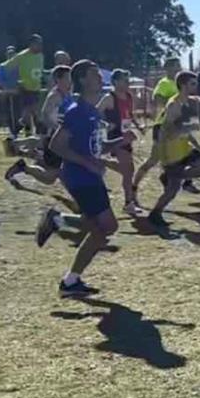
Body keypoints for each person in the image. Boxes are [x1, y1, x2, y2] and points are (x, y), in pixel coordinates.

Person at [35, 60, 133, 297]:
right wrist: (87, 162)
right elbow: (57, 145)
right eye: (94, 74)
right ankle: (69, 275)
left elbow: (97, 146)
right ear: (82, 80)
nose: (100, 78)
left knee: (98, 228)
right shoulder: (76, 111)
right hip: (80, 177)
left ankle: (69, 277)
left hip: (89, 176)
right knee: (107, 226)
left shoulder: (92, 112)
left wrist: (122, 140)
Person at [144, 71, 200, 228]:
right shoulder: (174, 105)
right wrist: (188, 127)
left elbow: (185, 127)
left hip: (184, 148)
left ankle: (170, 177)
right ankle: (155, 214)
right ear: (183, 85)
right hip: (171, 151)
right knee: (172, 190)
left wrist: (195, 143)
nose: (196, 86)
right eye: (192, 84)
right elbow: (169, 132)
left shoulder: (188, 102)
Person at [133, 57, 198, 193]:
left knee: (188, 152)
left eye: (179, 65)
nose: (179, 68)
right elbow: (157, 100)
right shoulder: (164, 83)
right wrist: (174, 101)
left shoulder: (180, 83)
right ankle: (134, 186)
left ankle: (186, 181)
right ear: (168, 68)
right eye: (176, 66)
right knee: (153, 160)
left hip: (179, 125)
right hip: (163, 126)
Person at [4, 64, 73, 186]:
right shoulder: (55, 96)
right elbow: (45, 114)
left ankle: (22, 157)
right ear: (58, 79)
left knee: (54, 173)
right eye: (67, 78)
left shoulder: (67, 94)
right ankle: (24, 165)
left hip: (63, 138)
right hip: (55, 138)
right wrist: (57, 127)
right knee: (50, 177)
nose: (70, 81)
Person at [97, 69, 145, 215]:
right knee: (129, 170)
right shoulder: (109, 98)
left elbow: (129, 114)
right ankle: (128, 202)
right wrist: (105, 124)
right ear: (116, 82)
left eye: (128, 80)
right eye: (125, 80)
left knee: (128, 170)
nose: (128, 83)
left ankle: (102, 161)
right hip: (115, 137)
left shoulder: (129, 96)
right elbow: (95, 114)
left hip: (127, 136)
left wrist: (138, 126)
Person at [0, 34, 45, 149]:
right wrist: (7, 84)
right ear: (31, 44)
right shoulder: (22, 56)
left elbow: (38, 72)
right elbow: (4, 67)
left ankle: (20, 135)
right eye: (37, 43)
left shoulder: (40, 56)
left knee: (30, 117)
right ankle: (37, 141)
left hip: (36, 90)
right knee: (36, 115)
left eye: (41, 43)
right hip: (26, 89)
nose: (40, 46)